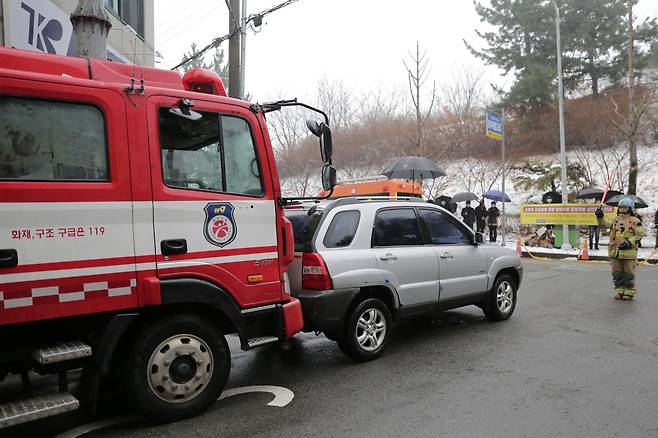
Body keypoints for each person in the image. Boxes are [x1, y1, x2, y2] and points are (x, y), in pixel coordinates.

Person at [598, 197, 644, 300]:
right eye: (621, 207)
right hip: (615, 251)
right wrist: (600, 217)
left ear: (630, 208)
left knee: (628, 273)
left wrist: (629, 243)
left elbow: (639, 234)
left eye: (625, 207)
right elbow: (603, 224)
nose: (622, 209)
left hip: (628, 252)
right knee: (617, 273)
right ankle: (619, 290)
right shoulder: (616, 220)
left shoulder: (635, 221)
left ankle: (629, 291)